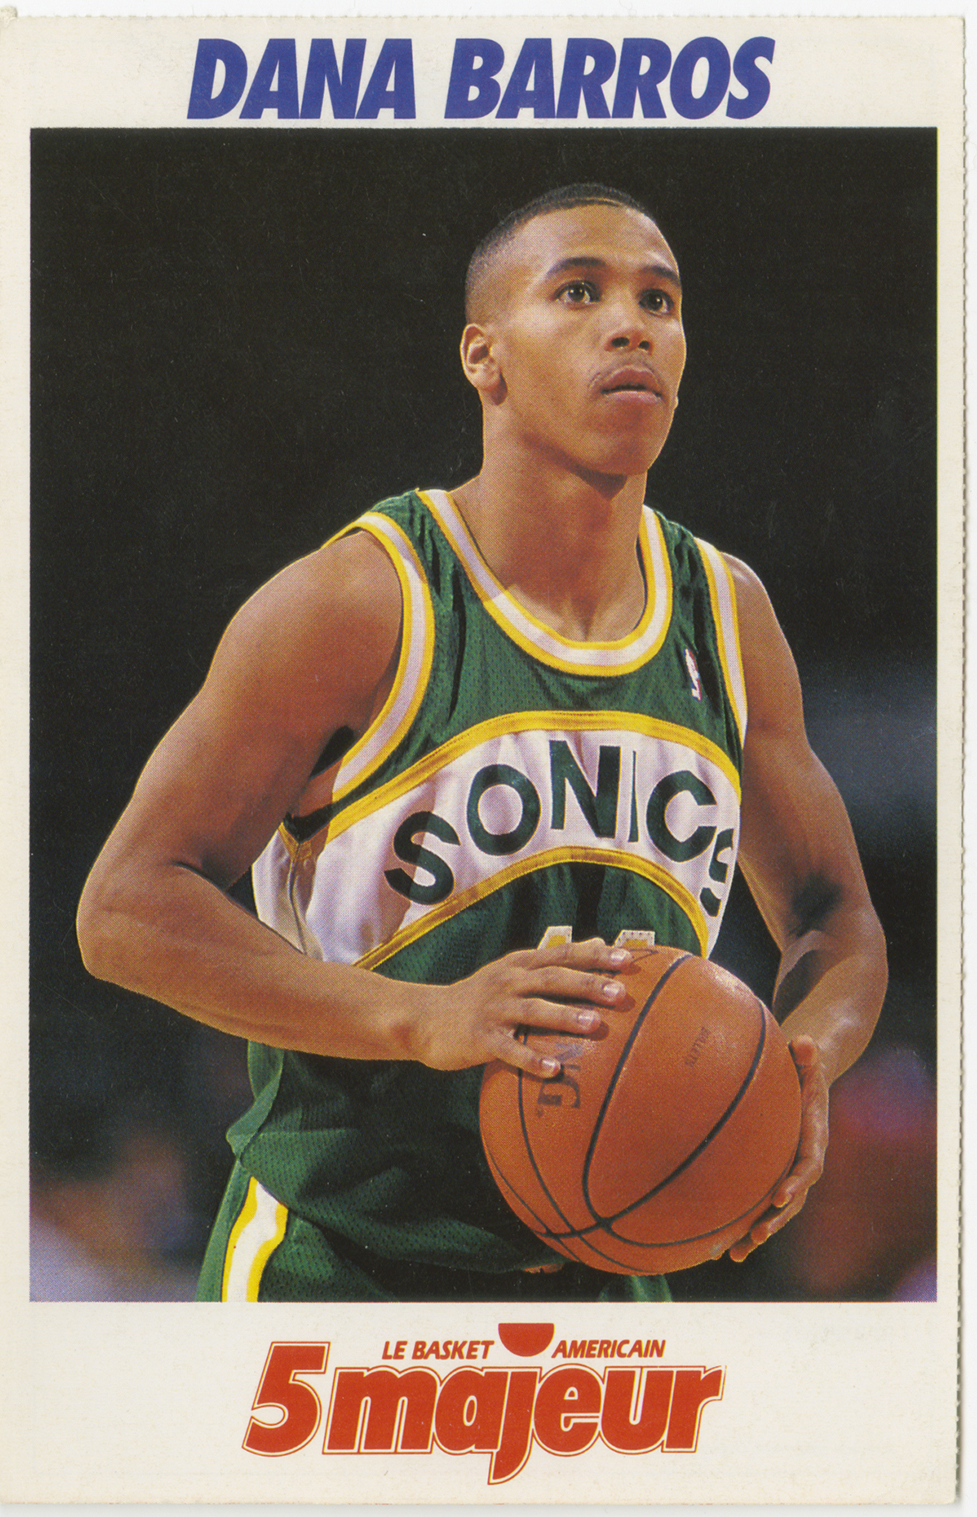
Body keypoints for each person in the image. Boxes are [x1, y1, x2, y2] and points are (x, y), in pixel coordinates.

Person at [76, 184, 887, 1302]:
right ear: (483, 357)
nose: (631, 324)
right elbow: (125, 909)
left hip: (605, 1271)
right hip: (341, 1258)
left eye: (659, 300)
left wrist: (799, 1066)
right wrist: (427, 1015)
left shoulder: (726, 613)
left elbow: (838, 916)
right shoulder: (359, 601)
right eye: (579, 292)